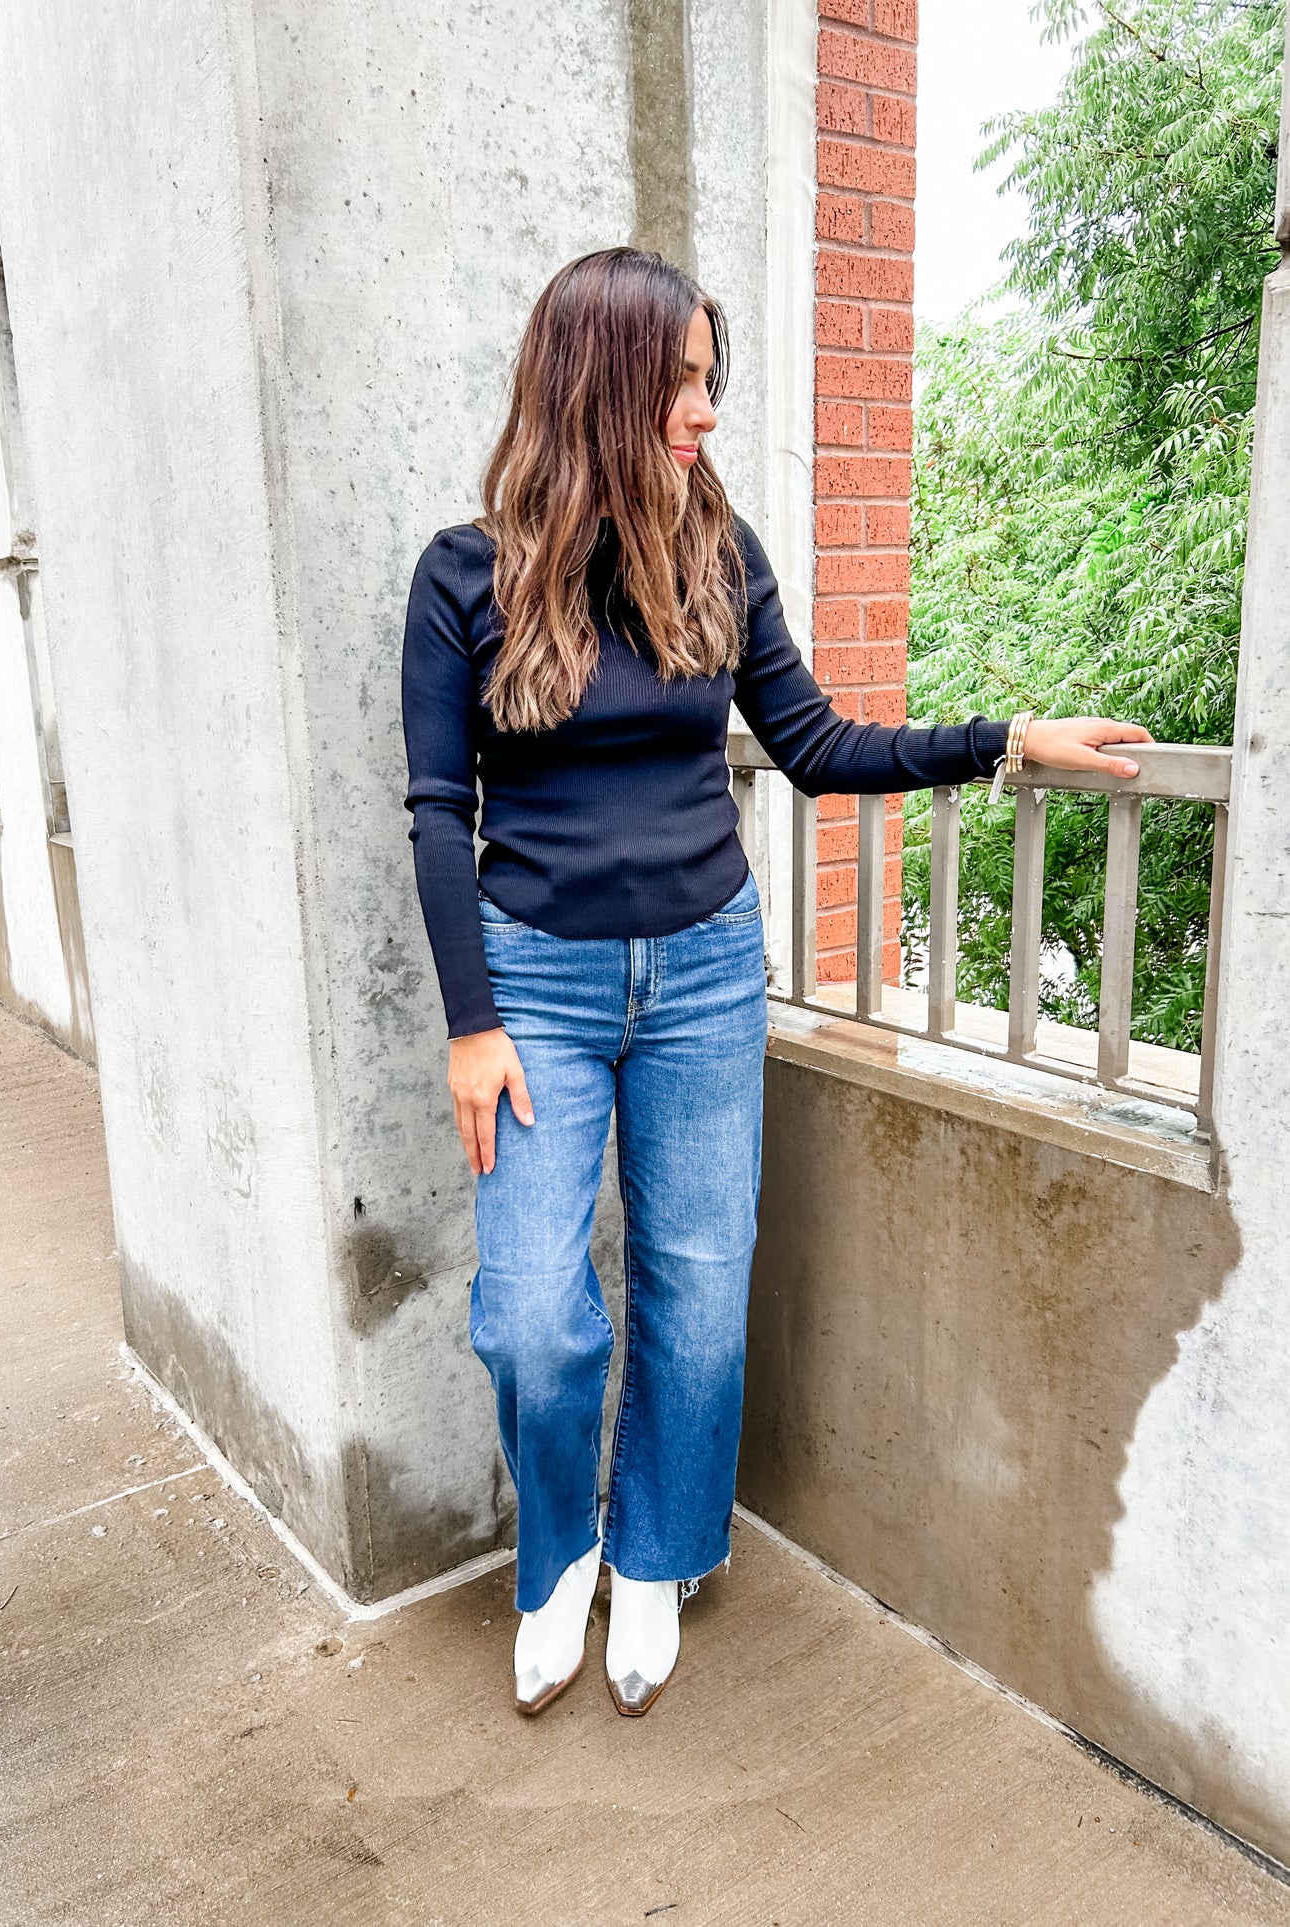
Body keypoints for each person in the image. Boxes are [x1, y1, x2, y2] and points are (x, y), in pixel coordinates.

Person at [400, 246, 1149, 1719]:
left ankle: (658, 1553)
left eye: (708, 375)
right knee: (534, 1317)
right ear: (599, 385)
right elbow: (439, 808)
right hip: (535, 987)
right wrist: (471, 1023)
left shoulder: (719, 556)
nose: (703, 407)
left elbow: (811, 746)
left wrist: (1000, 740)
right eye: (679, 379)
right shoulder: (463, 574)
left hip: (698, 973)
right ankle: (556, 1557)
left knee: (699, 1287)